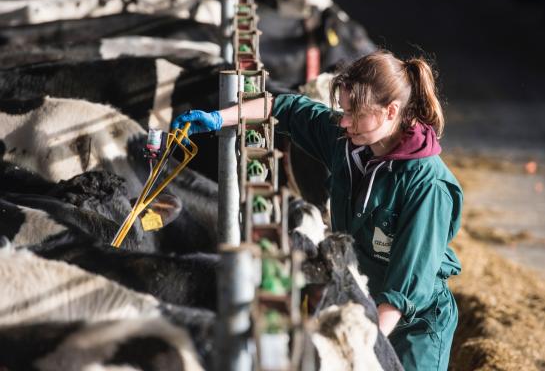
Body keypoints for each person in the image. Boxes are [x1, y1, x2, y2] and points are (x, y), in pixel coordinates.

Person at [172, 50, 463, 371]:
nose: (344, 121)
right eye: (343, 109)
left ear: (391, 111)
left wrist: (361, 346)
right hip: (361, 302)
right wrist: (219, 118)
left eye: (355, 112)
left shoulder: (427, 186)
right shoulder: (348, 143)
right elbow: (286, 109)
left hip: (412, 327)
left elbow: (403, 293)